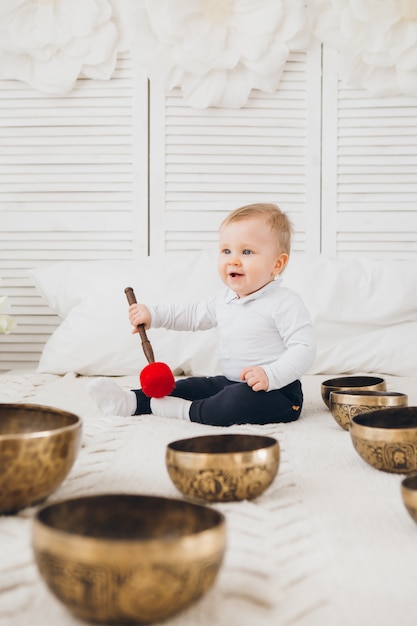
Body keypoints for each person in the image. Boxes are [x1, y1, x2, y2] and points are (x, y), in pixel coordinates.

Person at [88, 203, 316, 426]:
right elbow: (190, 314)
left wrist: (271, 375)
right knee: (191, 386)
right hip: (231, 381)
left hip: (277, 392)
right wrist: (153, 315)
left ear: (277, 263)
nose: (233, 260)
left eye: (247, 252)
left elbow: (304, 348)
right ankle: (132, 401)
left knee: (232, 402)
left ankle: (185, 411)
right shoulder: (224, 299)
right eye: (226, 250)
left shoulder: (284, 302)